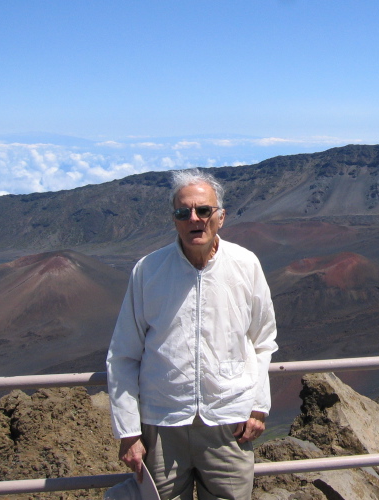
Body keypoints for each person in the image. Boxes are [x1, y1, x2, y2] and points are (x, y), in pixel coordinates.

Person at [106, 168, 278, 500]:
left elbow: (262, 341)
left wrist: (258, 406)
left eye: (203, 210)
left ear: (221, 217)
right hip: (162, 427)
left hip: (228, 423)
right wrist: (128, 432)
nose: (194, 219)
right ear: (174, 219)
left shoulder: (246, 265)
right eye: (183, 212)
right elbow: (123, 354)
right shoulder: (148, 271)